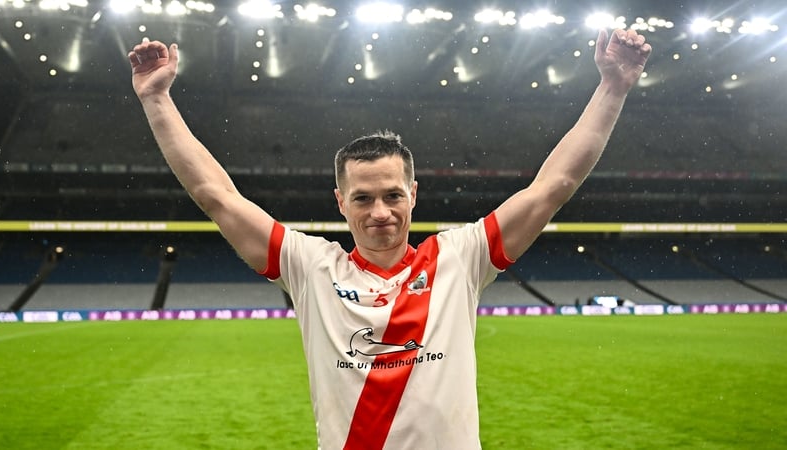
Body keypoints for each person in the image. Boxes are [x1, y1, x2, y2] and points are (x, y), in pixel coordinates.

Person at [129, 28, 651, 449]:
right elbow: (215, 195)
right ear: (340, 202)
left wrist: (613, 88)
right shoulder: (310, 266)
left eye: (392, 196)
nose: (380, 212)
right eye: (362, 199)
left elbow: (552, 187)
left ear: (413, 195)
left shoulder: (461, 256)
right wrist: (157, 100)